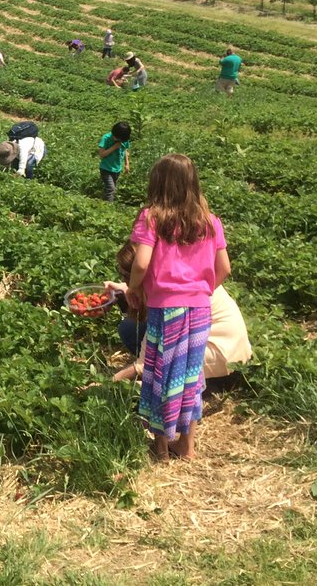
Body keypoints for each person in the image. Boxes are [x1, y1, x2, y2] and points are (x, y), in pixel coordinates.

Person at [124, 154, 230, 461]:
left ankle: (161, 446)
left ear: (158, 183)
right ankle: (186, 445)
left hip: (165, 309)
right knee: (190, 375)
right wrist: (200, 290)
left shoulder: (151, 217)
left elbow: (142, 262)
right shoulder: (209, 221)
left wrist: (133, 288)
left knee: (161, 373)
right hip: (199, 310)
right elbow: (224, 267)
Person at [106, 243, 251, 389]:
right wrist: (124, 291)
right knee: (130, 328)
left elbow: (144, 363)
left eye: (126, 276)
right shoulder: (173, 275)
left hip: (222, 353)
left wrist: (107, 383)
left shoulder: (171, 300)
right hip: (212, 340)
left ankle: (203, 384)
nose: (125, 281)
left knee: (151, 387)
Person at [98, 121, 131, 202]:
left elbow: (125, 150)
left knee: (109, 189)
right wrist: (114, 147)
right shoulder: (106, 138)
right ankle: (109, 208)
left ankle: (102, 203)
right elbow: (101, 154)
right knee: (111, 188)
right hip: (106, 168)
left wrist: (127, 164)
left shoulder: (124, 140)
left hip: (117, 169)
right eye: (116, 138)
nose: (118, 140)